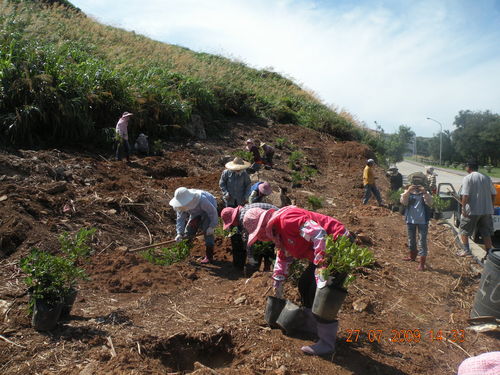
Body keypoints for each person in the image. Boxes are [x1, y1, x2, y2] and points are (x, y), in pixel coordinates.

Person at [243, 205, 353, 356]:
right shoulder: (278, 233)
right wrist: (278, 282)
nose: (260, 238)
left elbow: (319, 233)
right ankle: (312, 326)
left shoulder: (287, 219)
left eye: (259, 234)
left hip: (338, 244)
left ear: (264, 225)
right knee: (305, 284)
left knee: (323, 293)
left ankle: (327, 343)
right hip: (323, 251)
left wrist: (322, 267)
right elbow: (283, 256)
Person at [221, 202, 278, 273]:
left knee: (265, 246)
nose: (233, 225)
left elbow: (248, 240)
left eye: (231, 223)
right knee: (265, 245)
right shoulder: (244, 210)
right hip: (272, 221)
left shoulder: (244, 218)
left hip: (275, 223)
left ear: (234, 217)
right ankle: (266, 269)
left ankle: (265, 271)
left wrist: (250, 256)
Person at [457, 161, 496, 257]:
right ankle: (489, 254)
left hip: (473, 210)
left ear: (469, 167)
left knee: (463, 230)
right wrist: (491, 206)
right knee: (486, 233)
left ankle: (466, 251)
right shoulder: (486, 177)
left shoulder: (468, 178)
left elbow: (465, 195)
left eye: (466, 166)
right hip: (486, 211)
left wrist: (463, 209)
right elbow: (494, 194)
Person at [169, 187, 218, 264]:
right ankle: (184, 253)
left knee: (207, 230)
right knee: (189, 232)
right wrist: (179, 233)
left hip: (208, 212)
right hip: (195, 213)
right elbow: (180, 219)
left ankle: (209, 256)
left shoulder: (202, 200)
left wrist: (211, 226)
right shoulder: (180, 205)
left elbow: (212, 212)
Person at [400, 173, 433, 271]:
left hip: (423, 221)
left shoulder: (425, 193)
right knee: (411, 239)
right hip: (410, 220)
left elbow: (430, 203)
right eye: (415, 183)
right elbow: (403, 202)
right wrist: (408, 191)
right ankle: (412, 256)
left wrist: (425, 193)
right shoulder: (408, 191)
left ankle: (422, 263)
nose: (417, 186)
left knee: (422, 241)